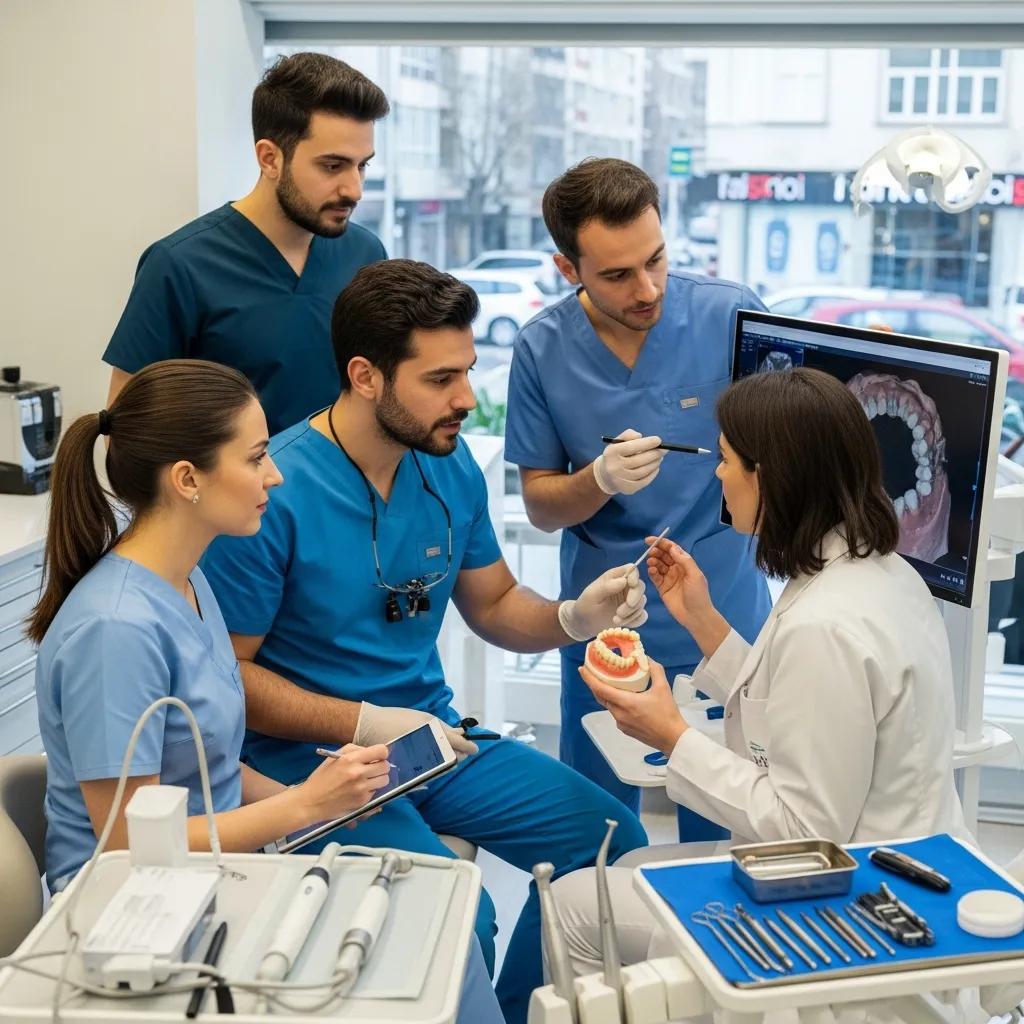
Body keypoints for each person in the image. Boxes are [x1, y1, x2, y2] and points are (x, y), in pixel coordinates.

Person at [199, 258, 650, 1024]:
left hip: (436, 741)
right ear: (366, 376)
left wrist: (577, 616)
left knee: (610, 836)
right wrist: (363, 724)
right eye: (440, 380)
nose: (467, 400)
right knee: (457, 912)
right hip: (316, 767)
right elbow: (232, 679)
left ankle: (515, 1013)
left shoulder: (450, 473)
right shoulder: (273, 491)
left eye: (468, 372)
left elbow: (498, 604)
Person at [30, 360, 503, 1023]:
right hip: (135, 920)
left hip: (219, 878)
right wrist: (301, 806)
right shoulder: (116, 630)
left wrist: (322, 804)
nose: (275, 475)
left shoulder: (188, 586)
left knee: (445, 927)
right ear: (188, 480)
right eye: (255, 459)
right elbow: (123, 846)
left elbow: (213, 768)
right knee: (427, 950)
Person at [548, 367, 970, 976]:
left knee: (571, 906)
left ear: (768, 476)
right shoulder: (878, 571)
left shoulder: (825, 624)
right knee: (624, 874)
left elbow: (805, 833)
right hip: (891, 864)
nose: (718, 475)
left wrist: (673, 737)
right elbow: (804, 710)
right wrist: (704, 621)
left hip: (843, 915)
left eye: (726, 460)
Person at [504, 158, 771, 832]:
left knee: (726, 831)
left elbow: (794, 444)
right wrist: (595, 481)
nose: (648, 288)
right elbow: (539, 505)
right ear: (570, 270)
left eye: (656, 260)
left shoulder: (730, 314)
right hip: (609, 627)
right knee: (595, 831)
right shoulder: (541, 350)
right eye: (618, 275)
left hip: (727, 621)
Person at [102, 52, 389, 434]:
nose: (354, 189)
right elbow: (127, 437)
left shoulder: (366, 255)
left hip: (344, 490)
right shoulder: (179, 266)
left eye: (362, 165)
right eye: (332, 166)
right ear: (270, 158)